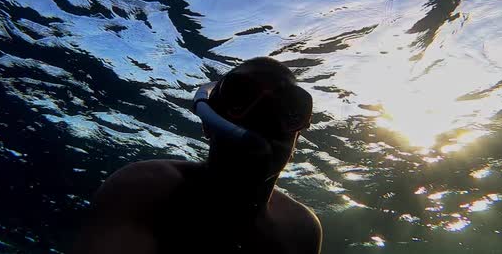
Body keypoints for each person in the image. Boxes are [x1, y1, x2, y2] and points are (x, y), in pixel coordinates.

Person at [73, 57, 322, 254]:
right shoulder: (144, 187)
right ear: (208, 123)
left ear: (297, 135)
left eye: (290, 108)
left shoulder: (302, 230)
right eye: (240, 95)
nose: (264, 117)